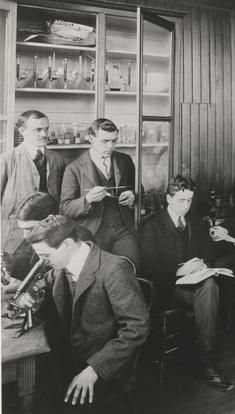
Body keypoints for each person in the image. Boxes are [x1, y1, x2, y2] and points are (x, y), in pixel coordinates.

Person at [25, 215, 149, 413]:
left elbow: (137, 328)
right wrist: (30, 296)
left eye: (46, 256)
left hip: (104, 373)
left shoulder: (114, 269)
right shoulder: (60, 269)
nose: (43, 262)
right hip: (71, 362)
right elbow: (43, 290)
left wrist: (95, 368)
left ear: (66, 244)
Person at [139, 176, 233, 391]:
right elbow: (148, 268)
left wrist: (203, 264)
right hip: (167, 288)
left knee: (210, 284)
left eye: (189, 200)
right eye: (181, 200)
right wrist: (179, 270)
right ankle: (207, 361)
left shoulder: (196, 222)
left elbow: (208, 252)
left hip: (195, 284)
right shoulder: (151, 226)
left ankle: (205, 357)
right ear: (168, 198)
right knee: (210, 292)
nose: (186, 206)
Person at [60, 118, 139, 269]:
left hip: (124, 229)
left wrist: (132, 195)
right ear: (91, 138)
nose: (111, 146)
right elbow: (65, 208)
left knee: (129, 270)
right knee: (97, 275)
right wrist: (87, 199)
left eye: (114, 141)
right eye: (105, 141)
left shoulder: (125, 161)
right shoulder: (74, 168)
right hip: (92, 233)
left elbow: (138, 189)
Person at [1, 110, 66, 263]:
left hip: (50, 236)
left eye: (46, 129)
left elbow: (63, 200)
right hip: (14, 239)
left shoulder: (58, 161)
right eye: (38, 129)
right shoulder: (7, 161)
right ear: (22, 131)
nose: (44, 134)